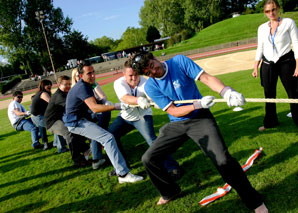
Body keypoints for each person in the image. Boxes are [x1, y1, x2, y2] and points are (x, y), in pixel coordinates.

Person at [131, 52, 268, 212]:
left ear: (154, 58)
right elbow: (174, 111)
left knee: (223, 160)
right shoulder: (150, 86)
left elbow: (207, 78)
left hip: (200, 119)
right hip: (178, 123)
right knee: (149, 158)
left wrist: (226, 91)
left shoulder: (179, 62)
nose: (153, 72)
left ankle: (255, 202)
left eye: (152, 66)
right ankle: (170, 191)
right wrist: (197, 104)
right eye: (148, 73)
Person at [63, 60, 143, 183]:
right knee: (108, 137)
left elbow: (96, 103)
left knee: (102, 133)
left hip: (80, 119)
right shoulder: (82, 87)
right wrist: (117, 106)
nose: (93, 75)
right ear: (81, 76)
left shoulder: (86, 85)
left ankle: (97, 160)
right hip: (75, 122)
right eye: (89, 73)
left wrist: (105, 104)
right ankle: (123, 175)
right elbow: (94, 108)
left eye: (93, 72)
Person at [108, 60, 180, 178]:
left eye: (136, 74)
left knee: (152, 141)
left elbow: (152, 95)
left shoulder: (146, 83)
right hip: (125, 117)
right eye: (130, 75)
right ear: (124, 74)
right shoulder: (118, 83)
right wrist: (138, 100)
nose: (134, 78)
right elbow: (125, 98)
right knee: (111, 136)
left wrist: (156, 101)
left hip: (142, 116)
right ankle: (121, 167)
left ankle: (172, 167)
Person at [252, 0, 298, 131]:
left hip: (286, 62)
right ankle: (270, 122)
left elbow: (296, 43)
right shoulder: (261, 28)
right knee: (269, 94)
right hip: (267, 64)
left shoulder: (289, 23)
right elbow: (260, 47)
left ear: (278, 9)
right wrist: (256, 66)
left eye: (273, 9)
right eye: (267, 11)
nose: (271, 13)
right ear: (265, 12)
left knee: (293, 93)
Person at [44, 75, 91, 166]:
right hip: (52, 122)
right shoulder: (59, 96)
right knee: (69, 133)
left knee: (76, 129)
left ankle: (85, 149)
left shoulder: (66, 93)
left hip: (61, 119)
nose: (68, 86)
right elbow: (73, 106)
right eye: (65, 84)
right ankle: (77, 160)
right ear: (59, 85)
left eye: (69, 84)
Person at [72, 68, 111, 169]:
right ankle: (97, 157)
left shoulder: (92, 84)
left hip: (93, 112)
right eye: (77, 76)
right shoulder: (75, 89)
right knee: (98, 133)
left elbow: (103, 96)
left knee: (103, 122)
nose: (79, 78)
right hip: (83, 117)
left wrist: (101, 101)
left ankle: (98, 155)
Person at [31, 79, 52, 150]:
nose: (50, 85)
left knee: (42, 128)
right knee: (55, 125)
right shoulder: (43, 93)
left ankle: (46, 144)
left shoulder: (40, 93)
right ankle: (59, 144)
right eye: (47, 84)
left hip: (36, 116)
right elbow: (52, 103)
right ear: (43, 86)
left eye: (50, 84)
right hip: (38, 117)